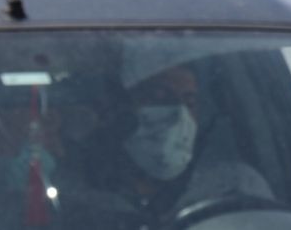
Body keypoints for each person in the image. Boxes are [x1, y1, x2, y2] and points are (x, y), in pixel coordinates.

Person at [57, 62, 274, 229]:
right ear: (118, 111)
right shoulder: (72, 195)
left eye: (189, 102)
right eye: (159, 98)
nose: (179, 115)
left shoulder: (236, 187)